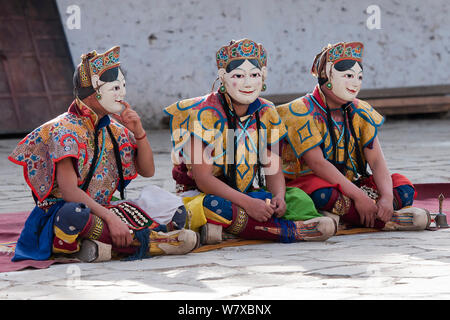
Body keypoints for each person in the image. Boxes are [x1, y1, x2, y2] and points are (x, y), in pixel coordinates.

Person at [8, 46, 199, 263]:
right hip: (66, 210)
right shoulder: (64, 131)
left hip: (105, 206)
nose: (122, 94)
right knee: (76, 214)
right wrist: (110, 218)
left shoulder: (114, 130)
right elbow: (69, 192)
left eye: (123, 86)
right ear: (93, 91)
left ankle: (100, 245)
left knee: (174, 211)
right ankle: (151, 243)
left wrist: (139, 133)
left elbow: (148, 171)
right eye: (115, 88)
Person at [164, 39, 336, 244]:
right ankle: (290, 231)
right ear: (222, 77)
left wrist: (278, 197)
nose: (248, 83)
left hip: (249, 193)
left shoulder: (267, 112)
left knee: (298, 199)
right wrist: (248, 204)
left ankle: (231, 230)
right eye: (239, 76)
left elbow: (273, 170)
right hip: (205, 194)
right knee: (213, 206)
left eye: (254, 75)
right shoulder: (202, 113)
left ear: (263, 76)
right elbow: (203, 179)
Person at [277, 42, 430, 231]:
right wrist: (360, 197)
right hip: (312, 183)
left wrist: (387, 198)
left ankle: (352, 215)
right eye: (348, 76)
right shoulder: (299, 111)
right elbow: (318, 164)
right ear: (327, 76)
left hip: (350, 184)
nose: (355, 82)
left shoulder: (360, 110)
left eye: (359, 77)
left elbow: (376, 162)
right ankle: (385, 220)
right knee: (322, 195)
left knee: (402, 187)